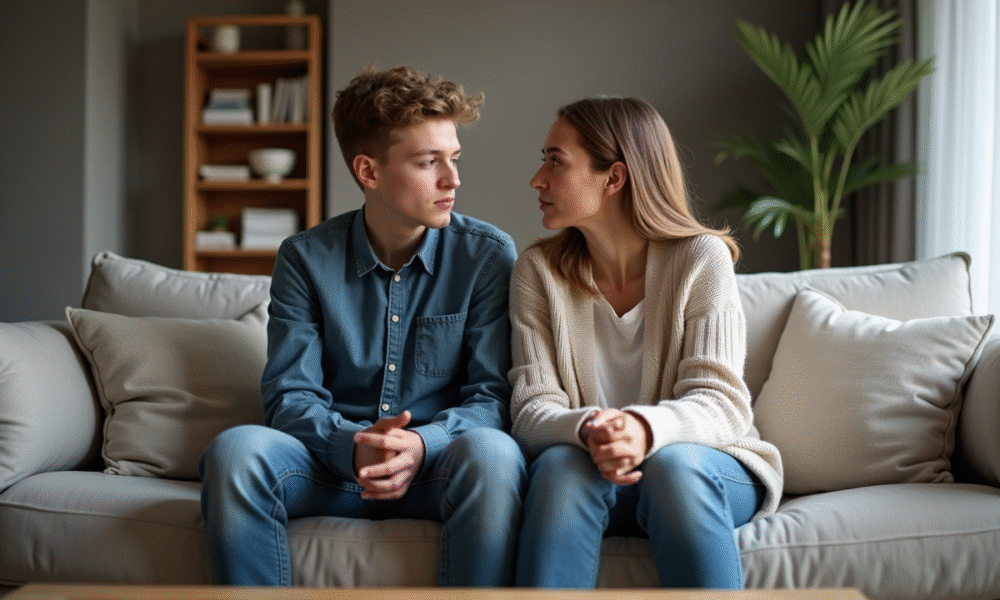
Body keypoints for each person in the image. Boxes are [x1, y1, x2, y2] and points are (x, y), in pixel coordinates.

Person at [199, 65, 525, 587]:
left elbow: (493, 397)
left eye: (454, 159)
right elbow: (289, 396)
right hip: (330, 469)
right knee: (235, 451)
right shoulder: (304, 259)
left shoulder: (486, 256)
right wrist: (353, 446)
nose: (453, 179)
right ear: (368, 172)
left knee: (495, 454)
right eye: (428, 162)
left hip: (435, 465)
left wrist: (421, 445)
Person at [509, 96, 783, 589]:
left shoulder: (702, 259)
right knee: (560, 469)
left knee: (674, 468)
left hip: (703, 465)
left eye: (555, 161)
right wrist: (591, 428)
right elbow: (531, 409)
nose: (537, 179)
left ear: (613, 178)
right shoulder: (538, 272)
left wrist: (641, 428)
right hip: (589, 468)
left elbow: (722, 405)